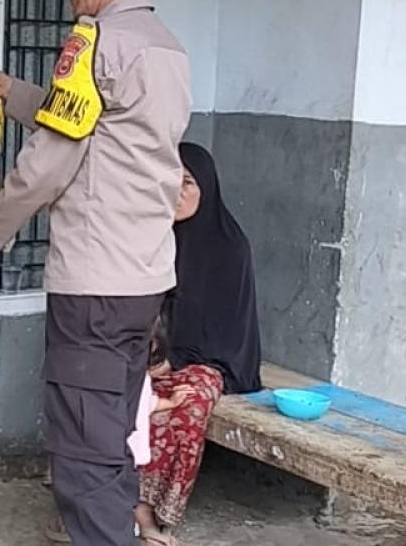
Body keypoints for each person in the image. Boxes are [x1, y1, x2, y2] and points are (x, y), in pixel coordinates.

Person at [0, 0, 192, 543]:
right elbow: (100, 129)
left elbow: (54, 155)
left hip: (95, 285)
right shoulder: (165, 46)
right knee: (112, 431)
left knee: (86, 449)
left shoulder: (97, 41)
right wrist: (12, 92)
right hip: (143, 279)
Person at [136, 142, 263, 546]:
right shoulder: (151, 237)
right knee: (110, 394)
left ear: (206, 187)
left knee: (186, 409)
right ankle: (112, 505)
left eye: (186, 182)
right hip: (149, 356)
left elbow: (227, 328)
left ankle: (153, 512)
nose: (175, 193)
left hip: (208, 361)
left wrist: (176, 359)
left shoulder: (229, 247)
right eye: (168, 181)